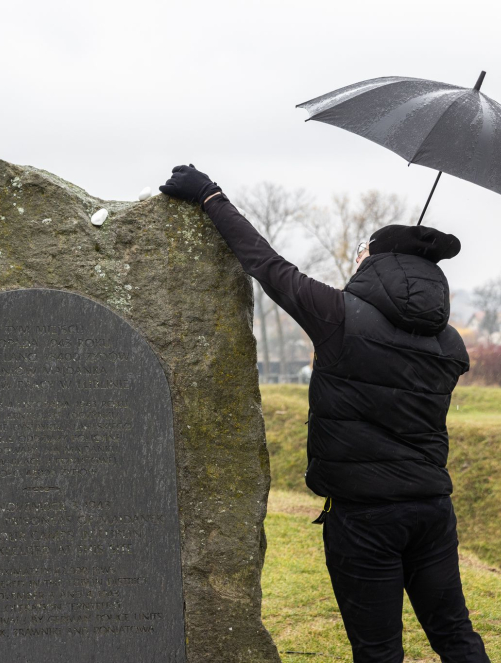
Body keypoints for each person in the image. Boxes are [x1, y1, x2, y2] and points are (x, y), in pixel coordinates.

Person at [160, 165, 489, 663]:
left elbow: (267, 266)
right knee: (456, 638)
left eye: (363, 249)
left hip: (364, 518)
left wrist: (210, 196)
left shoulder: (339, 318)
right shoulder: (450, 343)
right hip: (431, 511)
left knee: (377, 650)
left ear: (375, 262)